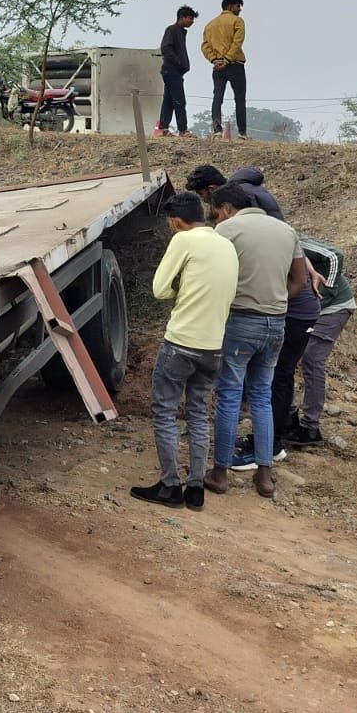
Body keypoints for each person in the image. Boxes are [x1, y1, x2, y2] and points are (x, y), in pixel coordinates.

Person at [131, 192, 238, 511]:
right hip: (213, 347)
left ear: (177, 221)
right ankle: (195, 489)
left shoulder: (184, 241)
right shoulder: (226, 244)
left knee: (165, 411)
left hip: (181, 343)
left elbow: (160, 289)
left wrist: (181, 288)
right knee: (198, 413)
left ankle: (168, 486)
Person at [206, 184, 304, 499]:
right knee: (262, 397)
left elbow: (209, 274)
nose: (215, 217)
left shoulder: (227, 230)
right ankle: (264, 476)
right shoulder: (286, 231)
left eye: (215, 211)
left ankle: (220, 473)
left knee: (230, 396)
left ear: (226, 208)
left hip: (239, 321)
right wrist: (275, 303)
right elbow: (300, 280)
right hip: (276, 324)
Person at [281, 236, 356, 448]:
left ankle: (309, 427)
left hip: (333, 307)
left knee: (311, 358)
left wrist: (322, 290)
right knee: (286, 357)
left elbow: (334, 256)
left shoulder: (292, 238)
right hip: (303, 311)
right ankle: (287, 416)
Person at [201, 0, 247, 138]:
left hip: (217, 66)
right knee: (239, 98)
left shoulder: (210, 25)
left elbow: (205, 46)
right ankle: (242, 132)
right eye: (238, 6)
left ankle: (217, 130)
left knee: (217, 98)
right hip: (235, 65)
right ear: (231, 6)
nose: (239, 9)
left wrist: (215, 60)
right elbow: (237, 43)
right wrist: (227, 59)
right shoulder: (237, 21)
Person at [155, 6, 198, 137]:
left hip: (175, 72)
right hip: (172, 70)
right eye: (190, 18)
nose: (192, 21)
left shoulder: (180, 32)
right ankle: (183, 130)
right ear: (182, 17)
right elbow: (165, 47)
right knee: (179, 100)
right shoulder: (172, 30)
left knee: (168, 100)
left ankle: (163, 128)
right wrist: (177, 61)